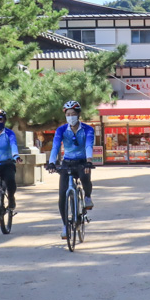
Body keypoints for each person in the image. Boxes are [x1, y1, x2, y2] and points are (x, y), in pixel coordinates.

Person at [46, 100, 95, 239]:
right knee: (62, 195)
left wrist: (89, 161)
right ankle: (65, 225)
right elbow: (55, 146)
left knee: (85, 177)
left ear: (78, 115)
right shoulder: (61, 130)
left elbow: (88, 145)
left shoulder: (88, 129)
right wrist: (51, 162)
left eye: (73, 113)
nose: (71, 116)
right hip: (67, 162)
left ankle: (87, 197)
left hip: (82, 161)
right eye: (68, 114)